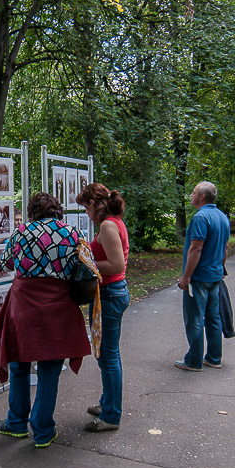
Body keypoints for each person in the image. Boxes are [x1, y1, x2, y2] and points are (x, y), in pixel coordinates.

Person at [0, 192, 93, 447]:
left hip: (24, 307)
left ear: (32, 212)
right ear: (58, 211)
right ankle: (43, 430)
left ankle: (17, 423)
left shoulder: (20, 232)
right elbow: (87, 268)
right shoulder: (74, 234)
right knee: (50, 369)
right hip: (58, 306)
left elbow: (6, 263)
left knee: (19, 365)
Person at [76, 182, 130, 433]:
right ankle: (107, 403)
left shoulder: (108, 225)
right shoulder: (111, 223)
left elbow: (116, 265)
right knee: (105, 353)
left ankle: (111, 416)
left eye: (86, 208)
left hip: (110, 294)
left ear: (95, 204)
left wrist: (87, 262)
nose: (86, 214)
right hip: (107, 293)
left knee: (108, 357)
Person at [175, 182, 230, 371]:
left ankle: (194, 361)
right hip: (215, 275)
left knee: (195, 318)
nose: (191, 195)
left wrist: (186, 277)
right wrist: (220, 267)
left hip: (199, 277)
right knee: (213, 318)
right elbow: (225, 248)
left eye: (194, 192)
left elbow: (196, 248)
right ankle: (214, 357)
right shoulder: (222, 217)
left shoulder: (201, 218)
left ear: (202, 197)